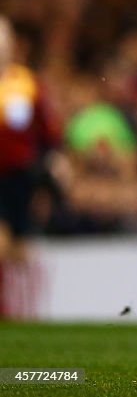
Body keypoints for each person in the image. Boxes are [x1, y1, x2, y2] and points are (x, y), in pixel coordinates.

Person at [0, 16, 61, 267]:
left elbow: (48, 132)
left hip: (20, 179)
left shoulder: (26, 84)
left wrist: (53, 165)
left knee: (19, 252)